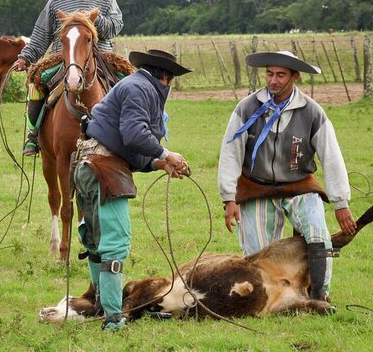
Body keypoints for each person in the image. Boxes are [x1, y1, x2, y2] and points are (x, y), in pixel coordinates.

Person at [218, 50, 358, 308]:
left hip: (298, 186)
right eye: (270, 74)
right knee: (257, 256)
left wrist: (341, 203)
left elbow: (332, 157)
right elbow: (230, 152)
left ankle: (319, 295)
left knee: (318, 234)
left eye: (281, 75)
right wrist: (229, 197)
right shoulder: (247, 107)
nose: (273, 80)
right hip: (256, 187)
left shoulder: (312, 112)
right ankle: (269, 300)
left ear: (294, 77)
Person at [74, 49, 190, 331]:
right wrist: (166, 152)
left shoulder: (135, 85)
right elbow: (135, 134)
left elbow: (130, 147)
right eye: (171, 81)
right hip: (104, 168)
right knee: (115, 245)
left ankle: (101, 304)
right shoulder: (141, 89)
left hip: (87, 165)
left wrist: (160, 164)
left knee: (96, 242)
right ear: (165, 77)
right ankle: (113, 319)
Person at [15, 0, 124, 155]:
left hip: (101, 56)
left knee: (128, 84)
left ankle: (133, 136)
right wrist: (25, 57)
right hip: (63, 56)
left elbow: (116, 26)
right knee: (37, 82)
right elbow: (42, 32)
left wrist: (94, 20)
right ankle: (33, 135)